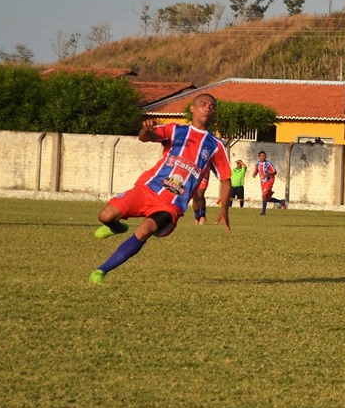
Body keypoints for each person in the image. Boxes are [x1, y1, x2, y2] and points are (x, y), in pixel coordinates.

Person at [89, 93, 231, 284]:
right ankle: (116, 227)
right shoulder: (176, 130)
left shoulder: (216, 145)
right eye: (203, 104)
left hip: (170, 205)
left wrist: (223, 209)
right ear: (193, 108)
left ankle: (101, 270)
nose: (208, 108)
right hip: (147, 189)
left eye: (212, 106)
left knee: (144, 230)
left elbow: (226, 180)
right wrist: (145, 130)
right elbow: (146, 137)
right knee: (105, 216)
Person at [252, 150, 287, 216]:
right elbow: (256, 171)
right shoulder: (257, 164)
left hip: (269, 181)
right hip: (263, 183)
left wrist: (267, 174)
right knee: (267, 198)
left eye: (264, 156)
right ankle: (281, 202)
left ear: (265, 156)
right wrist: (254, 174)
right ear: (259, 157)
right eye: (261, 156)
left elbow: (275, 172)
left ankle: (263, 212)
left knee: (263, 196)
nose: (263, 157)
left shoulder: (268, 164)